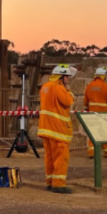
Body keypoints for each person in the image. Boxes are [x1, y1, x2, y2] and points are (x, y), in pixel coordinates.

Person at [37, 64, 76, 194]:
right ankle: (58, 184)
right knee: (61, 157)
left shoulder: (45, 86)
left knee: (50, 157)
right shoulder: (58, 87)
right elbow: (67, 101)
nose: (68, 80)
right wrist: (69, 91)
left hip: (46, 128)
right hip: (57, 129)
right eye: (67, 77)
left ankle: (50, 182)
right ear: (62, 76)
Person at [84, 67, 107, 158]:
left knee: (93, 132)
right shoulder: (106, 87)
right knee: (105, 133)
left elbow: (85, 101)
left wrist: (88, 109)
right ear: (103, 77)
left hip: (92, 114)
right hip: (104, 114)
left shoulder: (89, 86)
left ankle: (91, 152)